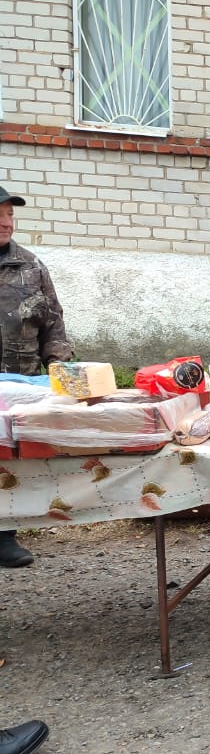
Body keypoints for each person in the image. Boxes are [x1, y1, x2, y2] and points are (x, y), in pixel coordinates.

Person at [1, 186, 74, 569]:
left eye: (10, 214)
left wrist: (60, 370)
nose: (5, 221)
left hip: (19, 385)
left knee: (8, 462)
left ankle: (4, 536)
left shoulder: (31, 266)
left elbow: (53, 324)